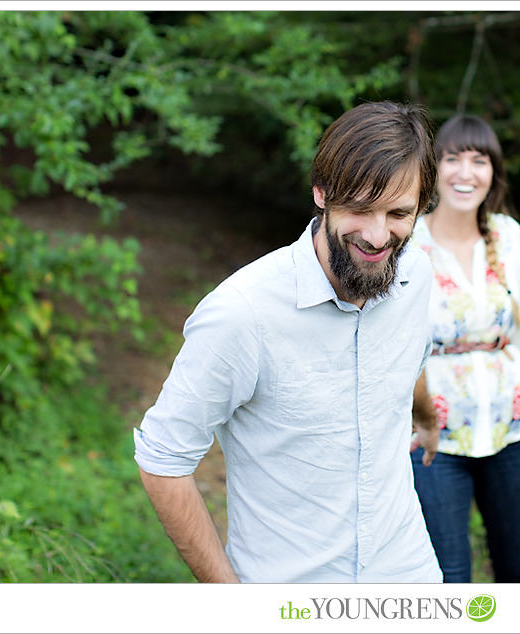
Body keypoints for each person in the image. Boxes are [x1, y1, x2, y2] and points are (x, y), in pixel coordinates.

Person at [134, 101, 443, 583]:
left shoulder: (417, 275)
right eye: (360, 208)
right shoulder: (242, 313)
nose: (378, 235)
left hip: (410, 577)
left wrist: (425, 417)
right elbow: (162, 460)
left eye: (399, 213)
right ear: (321, 192)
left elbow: (410, 358)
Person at [409, 114, 520, 583]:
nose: (466, 172)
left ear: (493, 171)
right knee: (446, 578)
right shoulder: (408, 240)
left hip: (514, 430)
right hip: (434, 439)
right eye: (453, 158)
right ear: (434, 169)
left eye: (479, 160)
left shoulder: (507, 235)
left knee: (519, 569)